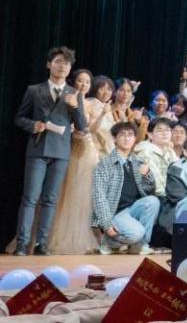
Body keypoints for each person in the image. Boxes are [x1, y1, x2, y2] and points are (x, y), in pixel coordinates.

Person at [14, 46, 89, 256]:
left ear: (70, 68)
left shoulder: (74, 93)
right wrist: (33, 125)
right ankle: (22, 244)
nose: (62, 66)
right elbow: (19, 117)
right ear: (49, 64)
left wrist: (75, 107)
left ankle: (42, 244)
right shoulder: (34, 90)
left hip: (61, 151)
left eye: (66, 63)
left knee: (50, 199)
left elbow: (82, 126)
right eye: (58, 62)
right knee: (30, 198)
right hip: (38, 148)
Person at [47, 69, 110, 255]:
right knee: (66, 193)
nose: (84, 85)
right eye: (81, 81)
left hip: (87, 150)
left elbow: (90, 129)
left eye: (87, 82)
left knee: (83, 195)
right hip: (70, 147)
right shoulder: (70, 99)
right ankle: (54, 237)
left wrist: (101, 115)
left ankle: (80, 236)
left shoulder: (90, 103)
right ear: (73, 82)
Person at [90, 121, 160, 255]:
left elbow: (149, 191)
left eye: (130, 135)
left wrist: (147, 175)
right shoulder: (105, 164)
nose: (127, 138)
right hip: (114, 213)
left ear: (135, 139)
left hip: (132, 209)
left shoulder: (138, 162)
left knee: (153, 201)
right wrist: (106, 224)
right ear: (114, 138)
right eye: (122, 135)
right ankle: (109, 241)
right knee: (137, 233)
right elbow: (99, 197)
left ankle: (140, 245)